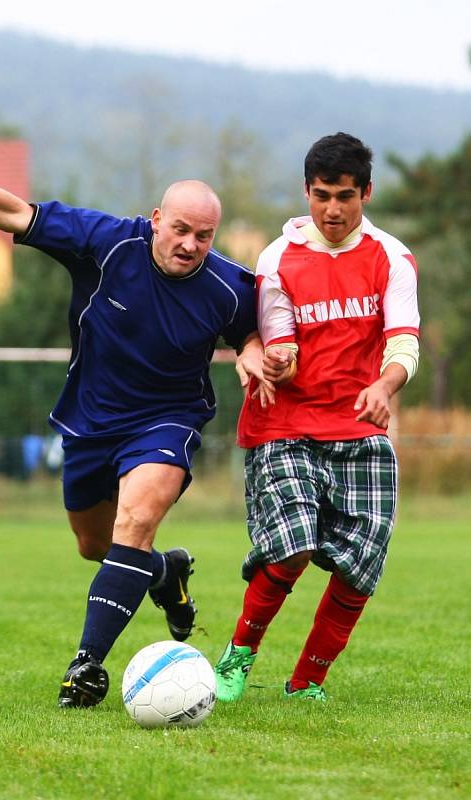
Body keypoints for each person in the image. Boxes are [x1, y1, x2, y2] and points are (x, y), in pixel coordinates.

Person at [0, 124, 262, 708]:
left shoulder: (229, 286)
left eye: (203, 236)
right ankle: (164, 573)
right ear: (156, 218)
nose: (189, 244)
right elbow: (13, 212)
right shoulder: (106, 241)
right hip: (90, 422)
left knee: (134, 522)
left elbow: (258, 328)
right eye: (180, 229)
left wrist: (257, 354)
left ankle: (86, 667)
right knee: (95, 545)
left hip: (168, 420)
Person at [214, 132, 420, 702]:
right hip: (286, 423)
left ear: (367, 194)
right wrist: (276, 362)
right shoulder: (277, 258)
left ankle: (306, 684)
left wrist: (385, 383)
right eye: (323, 194)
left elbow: (404, 343)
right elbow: (281, 340)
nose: (333, 209)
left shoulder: (392, 258)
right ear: (306, 191)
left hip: (359, 427)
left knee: (359, 567)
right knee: (294, 544)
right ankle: (238, 656)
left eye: (346, 196)